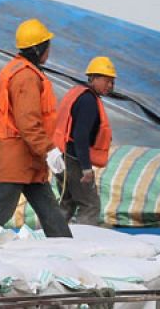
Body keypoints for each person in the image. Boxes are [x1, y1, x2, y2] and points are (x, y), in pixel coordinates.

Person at [0, 19, 73, 242]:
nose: (49, 52)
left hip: (27, 153)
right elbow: (28, 121)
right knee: (2, 206)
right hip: (18, 153)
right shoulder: (26, 77)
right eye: (47, 46)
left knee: (47, 206)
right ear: (38, 49)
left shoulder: (24, 71)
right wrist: (49, 150)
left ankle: (65, 246)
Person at [53, 56, 116, 225]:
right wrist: (86, 168)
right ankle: (84, 239)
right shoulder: (89, 101)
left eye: (112, 82)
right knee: (90, 205)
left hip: (60, 155)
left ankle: (47, 234)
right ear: (93, 78)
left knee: (66, 202)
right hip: (73, 159)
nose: (110, 86)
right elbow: (80, 135)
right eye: (106, 81)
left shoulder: (78, 94)